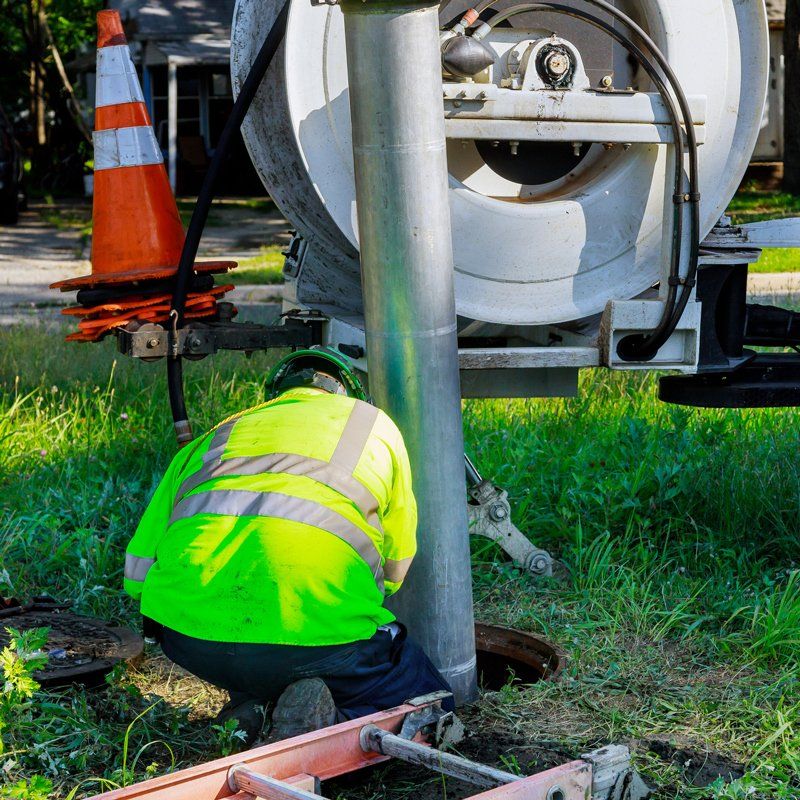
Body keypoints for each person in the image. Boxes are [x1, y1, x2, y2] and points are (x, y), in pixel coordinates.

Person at [123, 346, 453, 744]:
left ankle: (255, 711)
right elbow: (397, 563)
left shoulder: (215, 436)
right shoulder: (372, 425)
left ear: (276, 396)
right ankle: (329, 723)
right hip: (314, 636)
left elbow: (138, 575)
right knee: (434, 699)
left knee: (263, 660)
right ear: (348, 393)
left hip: (188, 641)